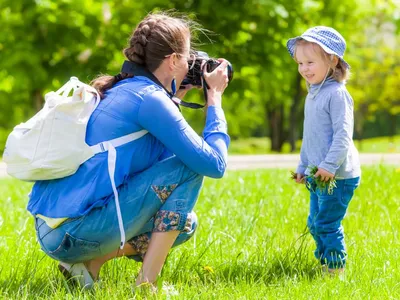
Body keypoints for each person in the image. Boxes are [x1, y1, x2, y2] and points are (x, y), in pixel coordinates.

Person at [29, 11, 230, 289]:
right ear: (172, 61)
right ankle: (146, 286)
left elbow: (158, 169)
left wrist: (177, 96)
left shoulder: (127, 89)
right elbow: (213, 164)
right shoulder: (150, 99)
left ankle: (90, 264)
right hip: (74, 231)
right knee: (190, 167)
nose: (191, 63)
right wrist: (215, 100)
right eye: (187, 57)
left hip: (53, 231)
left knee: (185, 224)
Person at [286, 26, 361, 273]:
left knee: (327, 223)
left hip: (338, 176)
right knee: (315, 222)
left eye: (310, 62)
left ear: (332, 60)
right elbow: (311, 139)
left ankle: (335, 269)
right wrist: (302, 167)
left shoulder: (337, 94)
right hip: (318, 173)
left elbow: (343, 135)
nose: (304, 68)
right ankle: (323, 263)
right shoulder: (313, 94)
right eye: (300, 63)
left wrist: (329, 165)